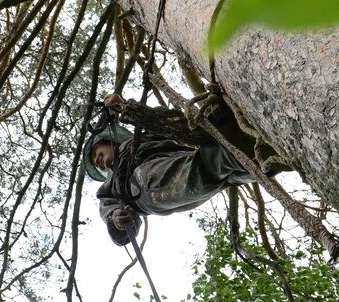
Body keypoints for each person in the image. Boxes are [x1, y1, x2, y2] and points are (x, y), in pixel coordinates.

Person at [83, 93, 262, 245]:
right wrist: (117, 220)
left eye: (97, 153)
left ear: (110, 142)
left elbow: (161, 120)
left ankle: (262, 160)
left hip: (178, 160)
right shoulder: (109, 186)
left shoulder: (143, 138)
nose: (97, 160)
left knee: (225, 173)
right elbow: (120, 232)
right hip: (144, 186)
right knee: (214, 167)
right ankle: (254, 155)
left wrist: (124, 107)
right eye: (95, 162)